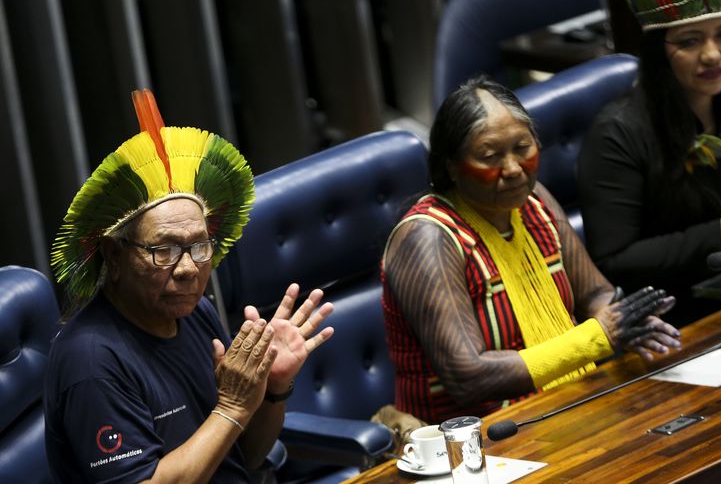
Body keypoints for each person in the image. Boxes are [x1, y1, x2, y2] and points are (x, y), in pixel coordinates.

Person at [44, 89, 334, 482]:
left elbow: (243, 456)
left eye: (199, 246)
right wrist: (231, 406)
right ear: (114, 255)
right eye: (163, 250)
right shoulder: (92, 362)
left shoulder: (195, 311)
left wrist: (271, 390)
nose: (187, 269)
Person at [381, 76, 681, 425]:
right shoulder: (427, 239)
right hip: (470, 443)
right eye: (490, 156)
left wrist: (630, 321)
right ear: (451, 166)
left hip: (564, 409)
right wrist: (598, 337)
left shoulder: (535, 201)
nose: (512, 169)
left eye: (522, 148)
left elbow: (595, 292)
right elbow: (468, 376)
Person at [578, 0, 721, 326]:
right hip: (678, 319)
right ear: (659, 51)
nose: (712, 55)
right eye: (690, 41)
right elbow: (614, 263)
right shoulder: (616, 133)